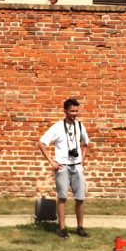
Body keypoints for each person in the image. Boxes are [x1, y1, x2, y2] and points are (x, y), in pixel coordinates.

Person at [38, 98, 91, 238]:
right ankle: (62, 229)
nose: (75, 114)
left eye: (77, 111)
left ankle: (80, 227)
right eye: (72, 111)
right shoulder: (57, 127)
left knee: (80, 198)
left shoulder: (80, 126)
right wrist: (52, 161)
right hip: (62, 167)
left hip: (76, 166)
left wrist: (82, 161)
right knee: (62, 198)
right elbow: (41, 143)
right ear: (65, 111)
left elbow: (86, 144)